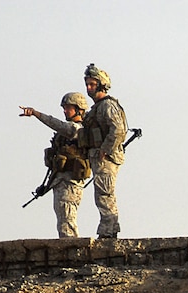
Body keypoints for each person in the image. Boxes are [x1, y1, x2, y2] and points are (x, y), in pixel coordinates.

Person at [19, 93, 91, 238]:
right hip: (61, 180)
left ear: (78, 109)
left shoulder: (77, 130)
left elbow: (57, 124)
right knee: (63, 218)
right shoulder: (66, 133)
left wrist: (36, 113)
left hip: (70, 182)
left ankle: (71, 247)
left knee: (67, 219)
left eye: (68, 108)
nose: (65, 111)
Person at [78, 63, 128, 239]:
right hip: (99, 157)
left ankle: (108, 230)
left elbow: (119, 130)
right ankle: (109, 228)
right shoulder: (97, 108)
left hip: (106, 158)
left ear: (101, 84)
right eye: (87, 84)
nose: (88, 88)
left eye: (92, 84)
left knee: (104, 193)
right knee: (102, 193)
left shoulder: (107, 106)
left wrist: (104, 150)